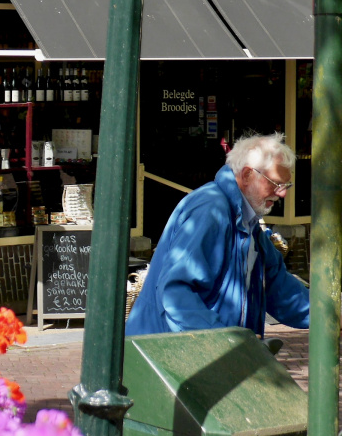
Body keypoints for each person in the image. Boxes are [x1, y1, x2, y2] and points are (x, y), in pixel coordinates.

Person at [126, 132, 309, 337]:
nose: (282, 193)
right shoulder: (211, 210)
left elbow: (279, 288)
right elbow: (176, 292)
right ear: (247, 175)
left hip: (208, 353)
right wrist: (225, 340)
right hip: (166, 353)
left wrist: (329, 314)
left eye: (286, 185)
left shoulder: (248, 222)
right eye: (275, 183)